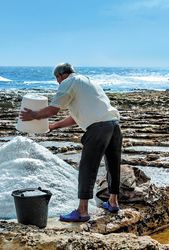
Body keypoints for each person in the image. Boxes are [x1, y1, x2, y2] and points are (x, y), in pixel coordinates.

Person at [20, 63, 122, 222]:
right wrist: (53, 126)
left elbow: (53, 109)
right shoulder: (88, 82)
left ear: (60, 75)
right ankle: (113, 202)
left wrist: (33, 115)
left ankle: (82, 211)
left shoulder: (68, 82)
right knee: (113, 165)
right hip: (114, 125)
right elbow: (76, 117)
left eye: (57, 79)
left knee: (87, 167)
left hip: (98, 129)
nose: (58, 83)